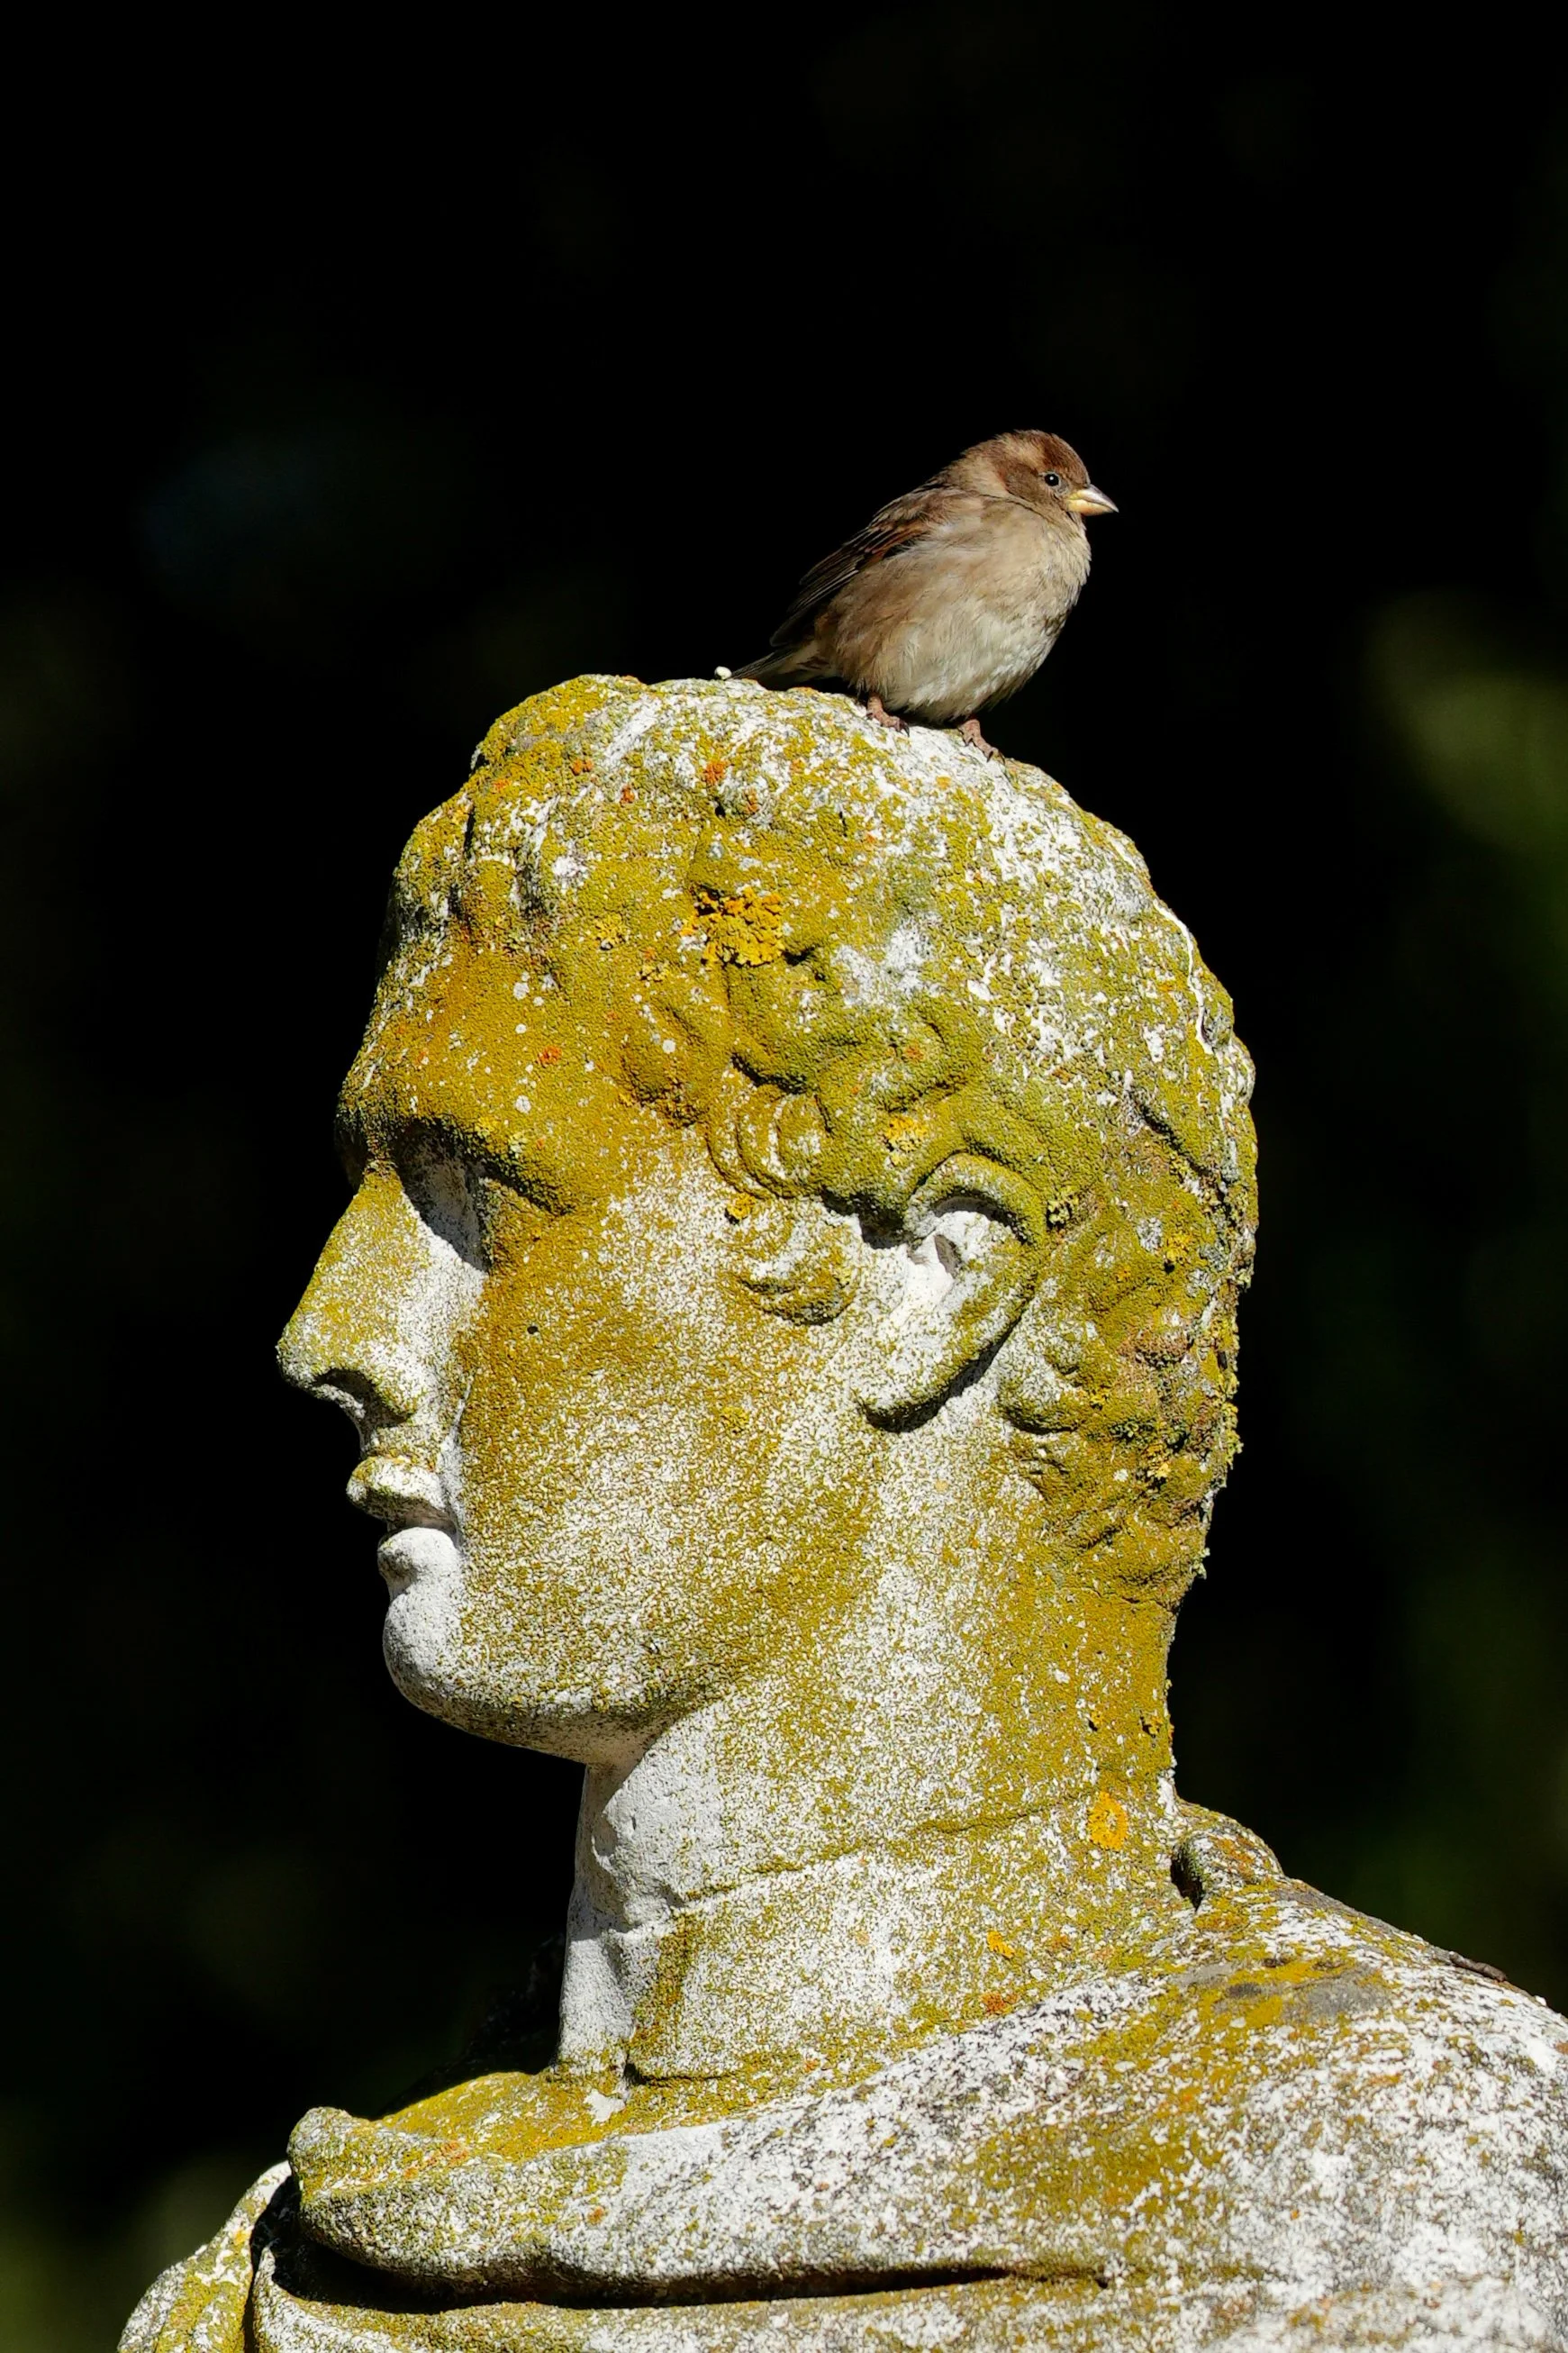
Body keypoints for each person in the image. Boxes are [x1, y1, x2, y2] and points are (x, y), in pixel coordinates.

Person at [123, 676, 1568, 2353]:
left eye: (479, 1195)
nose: (329, 1332)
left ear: (931, 1283)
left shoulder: (1413, 2227)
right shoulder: (284, 2288)